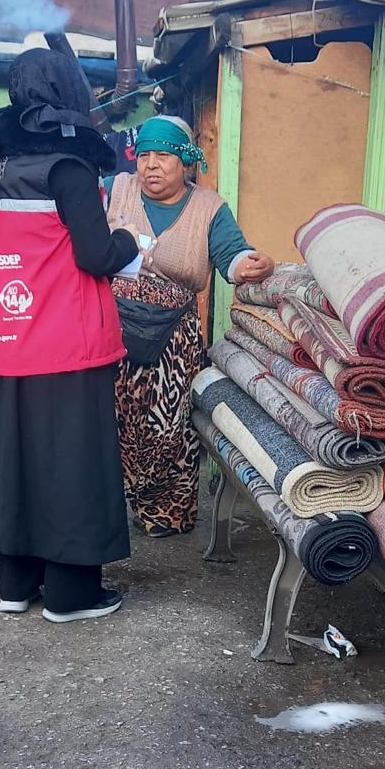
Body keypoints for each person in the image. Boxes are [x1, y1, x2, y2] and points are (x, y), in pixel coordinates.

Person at [0, 49, 142, 622]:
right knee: (71, 465)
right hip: (66, 343)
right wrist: (131, 247)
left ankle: (16, 585)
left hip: (7, 343)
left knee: (17, 464)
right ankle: (70, 594)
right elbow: (94, 255)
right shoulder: (69, 168)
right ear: (68, 92)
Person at [107, 115, 274, 536]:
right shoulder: (115, 190)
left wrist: (251, 265)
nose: (151, 165)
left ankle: (163, 512)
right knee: (109, 418)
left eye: (163, 155)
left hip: (172, 338)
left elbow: (232, 255)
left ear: (186, 163)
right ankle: (104, 508)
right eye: (144, 155)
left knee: (169, 427)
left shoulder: (208, 208)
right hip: (111, 327)